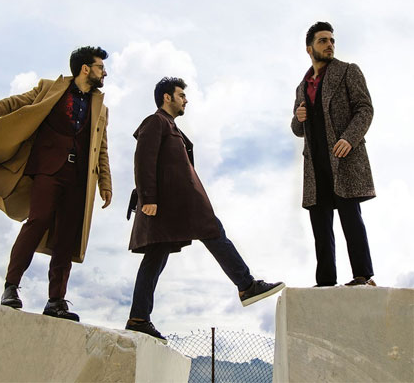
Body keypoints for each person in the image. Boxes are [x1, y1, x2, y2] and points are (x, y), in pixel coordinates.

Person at [0, 47, 112, 321]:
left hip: (79, 179)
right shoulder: (49, 88)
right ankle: (11, 286)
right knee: (37, 222)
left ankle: (56, 300)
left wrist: (105, 183)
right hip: (48, 171)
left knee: (66, 238)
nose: (105, 73)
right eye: (100, 67)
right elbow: (13, 103)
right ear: (85, 69)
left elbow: (102, 148)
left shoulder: (101, 108)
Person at [125, 77, 285, 342]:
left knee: (161, 254)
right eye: (181, 95)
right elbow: (143, 160)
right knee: (209, 233)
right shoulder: (155, 122)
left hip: (180, 204)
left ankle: (139, 318)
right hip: (170, 204)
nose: (185, 100)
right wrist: (148, 198)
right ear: (167, 97)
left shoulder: (172, 127)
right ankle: (246, 286)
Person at [291, 22, 376, 287]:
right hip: (315, 164)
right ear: (309, 49)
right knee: (320, 225)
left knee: (351, 218)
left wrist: (349, 138)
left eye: (331, 40)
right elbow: (297, 129)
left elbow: (365, 109)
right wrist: (297, 118)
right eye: (323, 41)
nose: (329, 45)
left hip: (343, 159)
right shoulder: (301, 87)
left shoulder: (348, 71)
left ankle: (363, 276)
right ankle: (325, 282)